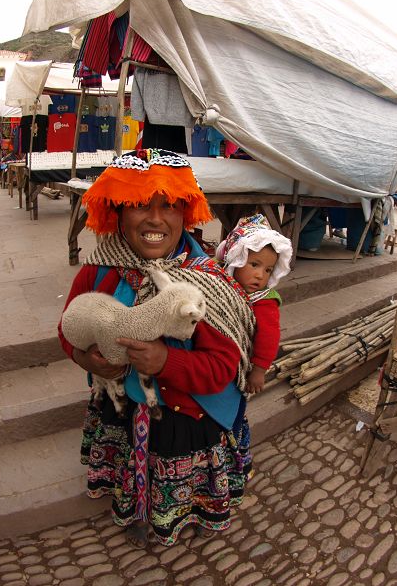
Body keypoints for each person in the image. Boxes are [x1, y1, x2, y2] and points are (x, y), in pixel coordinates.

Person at [58, 149, 255, 548]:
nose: (154, 218)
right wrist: (84, 358)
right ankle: (136, 507)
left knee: (179, 469)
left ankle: (189, 511)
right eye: (138, 205)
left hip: (186, 416)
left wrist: (167, 360)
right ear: (117, 212)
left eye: (169, 206)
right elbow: (70, 326)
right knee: (132, 461)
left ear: (186, 214)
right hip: (122, 408)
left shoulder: (207, 282)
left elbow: (222, 368)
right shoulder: (100, 269)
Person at [215, 214, 292, 394]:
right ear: (236, 260)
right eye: (254, 265)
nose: (260, 275)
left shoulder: (264, 301)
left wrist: (259, 370)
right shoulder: (219, 279)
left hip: (238, 360)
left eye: (268, 270)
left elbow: (269, 336)